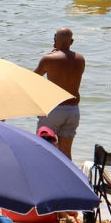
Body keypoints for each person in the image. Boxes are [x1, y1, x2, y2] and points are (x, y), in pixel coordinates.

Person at [35, 28, 85, 160]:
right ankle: (67, 178)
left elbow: (33, 79)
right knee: (66, 153)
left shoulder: (48, 59)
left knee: (43, 149)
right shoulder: (80, 59)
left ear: (54, 40)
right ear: (72, 41)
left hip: (54, 109)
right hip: (73, 110)